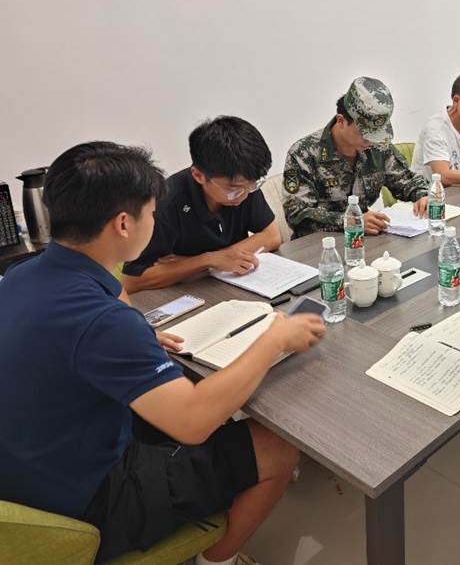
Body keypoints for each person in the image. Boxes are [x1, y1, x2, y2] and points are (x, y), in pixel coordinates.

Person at [0, 141, 325, 563]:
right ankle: (216, 561)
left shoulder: (22, 273)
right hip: (84, 499)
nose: (154, 222)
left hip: (25, 472)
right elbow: (192, 423)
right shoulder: (104, 323)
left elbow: (104, 307)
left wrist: (138, 338)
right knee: (276, 448)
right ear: (123, 224)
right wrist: (274, 340)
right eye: (151, 213)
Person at [121, 116, 281, 293]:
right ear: (198, 175)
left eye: (252, 185)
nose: (244, 195)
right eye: (233, 188)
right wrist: (208, 260)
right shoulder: (166, 202)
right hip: (181, 294)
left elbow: (272, 236)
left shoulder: (244, 185)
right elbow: (131, 281)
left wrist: (212, 260)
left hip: (232, 286)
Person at [283, 76, 430, 237]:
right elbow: (297, 215)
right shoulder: (304, 154)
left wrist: (422, 196)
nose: (371, 140)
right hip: (320, 245)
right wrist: (351, 221)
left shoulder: (377, 146)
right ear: (341, 121)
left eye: (376, 133)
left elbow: (406, 180)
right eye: (365, 133)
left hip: (365, 242)